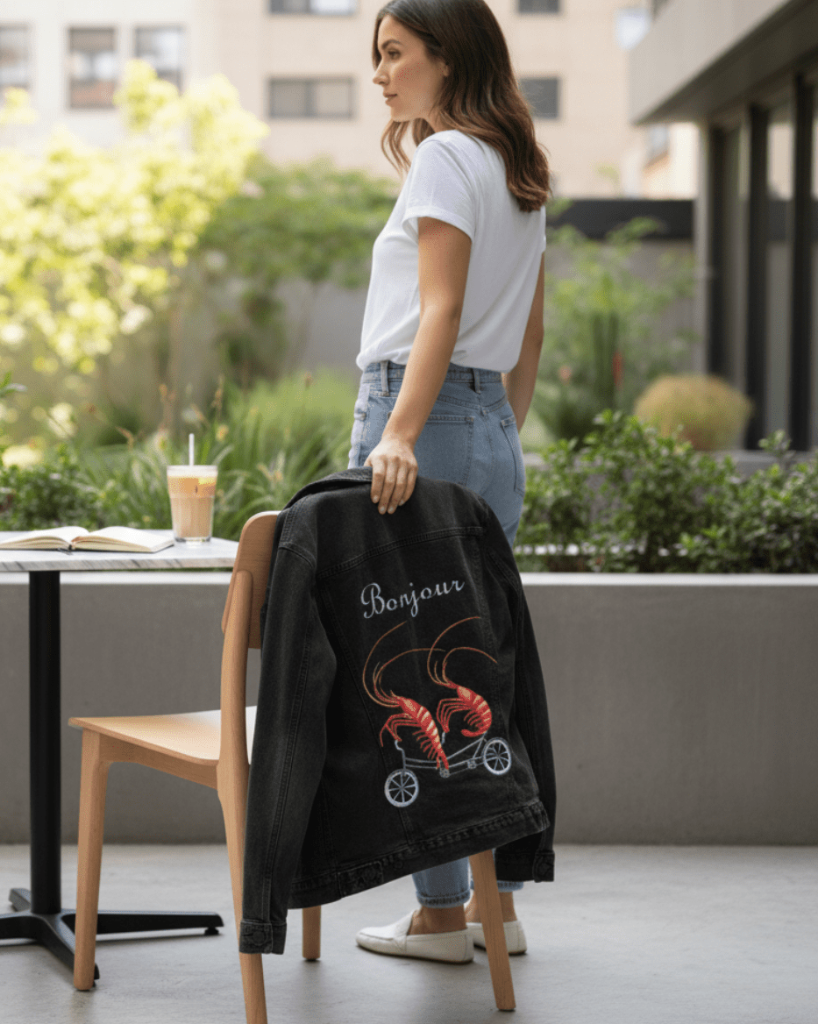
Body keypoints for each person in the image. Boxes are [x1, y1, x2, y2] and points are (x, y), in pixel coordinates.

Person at [348, 0, 549, 964]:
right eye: (377, 57)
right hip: (490, 430)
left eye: (395, 54)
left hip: (421, 423)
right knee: (480, 669)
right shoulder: (517, 168)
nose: (381, 75)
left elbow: (440, 308)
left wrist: (401, 432)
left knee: (410, 675)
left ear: (446, 54)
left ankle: (436, 915)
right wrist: (494, 429)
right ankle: (495, 906)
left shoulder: (443, 157)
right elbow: (528, 337)